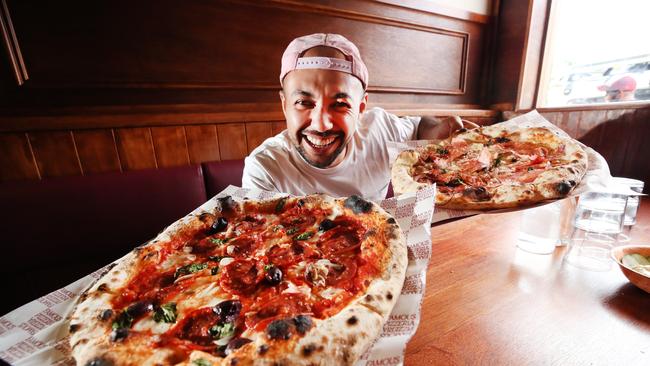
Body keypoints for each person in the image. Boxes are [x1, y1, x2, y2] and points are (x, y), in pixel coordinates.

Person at [242, 33, 473, 201]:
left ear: (361, 107)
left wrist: (441, 128)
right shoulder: (264, 169)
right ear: (284, 105)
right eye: (304, 103)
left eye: (340, 104)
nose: (322, 124)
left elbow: (420, 126)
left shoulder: (381, 130)